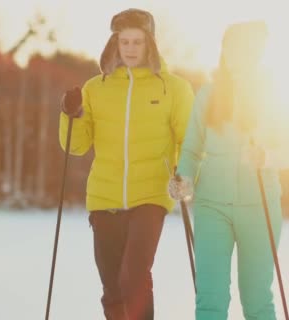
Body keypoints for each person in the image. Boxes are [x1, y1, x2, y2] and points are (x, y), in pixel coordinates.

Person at [58, 8, 194, 320]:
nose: (130, 49)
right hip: (104, 197)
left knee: (133, 278)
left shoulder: (172, 88)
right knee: (112, 288)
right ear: (114, 44)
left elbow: (189, 139)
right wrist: (71, 115)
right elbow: (75, 146)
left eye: (137, 42)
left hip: (151, 195)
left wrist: (185, 175)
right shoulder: (96, 88)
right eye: (124, 42)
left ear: (151, 45)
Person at [168, 21, 289, 320]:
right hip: (212, 205)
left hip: (260, 206)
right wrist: (184, 181)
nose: (239, 54)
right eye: (232, 47)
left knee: (256, 300)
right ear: (224, 52)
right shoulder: (208, 95)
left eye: (247, 48)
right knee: (210, 299)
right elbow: (191, 150)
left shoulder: (274, 96)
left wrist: (265, 156)